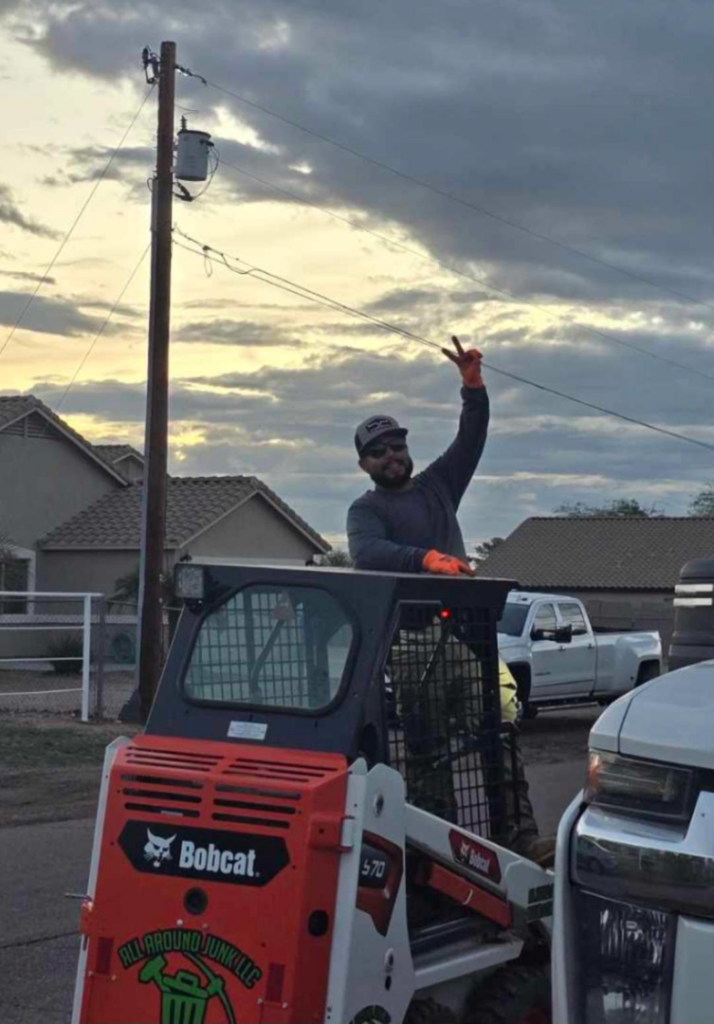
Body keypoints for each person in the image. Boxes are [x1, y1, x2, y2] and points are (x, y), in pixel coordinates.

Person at [347, 337, 554, 867]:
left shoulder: (439, 485)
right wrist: (428, 560)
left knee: (500, 729)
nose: (391, 455)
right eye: (378, 451)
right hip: (414, 641)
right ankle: (437, 850)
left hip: (472, 635)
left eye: (396, 445)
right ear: (365, 464)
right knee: (428, 747)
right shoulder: (365, 510)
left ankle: (518, 834)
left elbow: (472, 438)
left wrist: (473, 386)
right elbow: (368, 554)